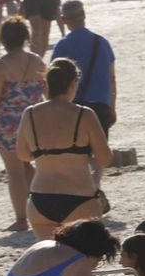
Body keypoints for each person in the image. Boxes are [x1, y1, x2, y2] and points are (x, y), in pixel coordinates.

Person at [13, 58, 113, 235]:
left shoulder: (30, 114)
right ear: (74, 83)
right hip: (79, 197)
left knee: (51, 260)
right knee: (84, 259)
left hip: (40, 198)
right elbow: (105, 158)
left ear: (46, 83)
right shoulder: (85, 114)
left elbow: (23, 154)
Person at [0, 16, 48, 238]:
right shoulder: (37, 61)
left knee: (15, 172)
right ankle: (42, 210)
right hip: (35, 121)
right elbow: (47, 90)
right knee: (30, 168)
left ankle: (21, 219)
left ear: (3, 39)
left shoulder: (1, 64)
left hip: (9, 122)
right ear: (25, 36)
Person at [50, 0, 118, 134]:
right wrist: (112, 107)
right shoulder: (102, 43)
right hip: (100, 105)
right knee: (100, 152)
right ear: (84, 14)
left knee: (77, 153)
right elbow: (112, 79)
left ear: (63, 19)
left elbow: (53, 82)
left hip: (72, 107)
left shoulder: (62, 46)